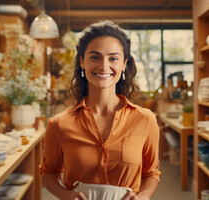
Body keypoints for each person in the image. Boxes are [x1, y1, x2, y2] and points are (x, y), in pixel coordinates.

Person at [40, 21, 161, 200]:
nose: (104, 66)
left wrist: (143, 196)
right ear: (82, 62)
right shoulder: (59, 124)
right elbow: (48, 172)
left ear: (124, 64)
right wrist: (65, 195)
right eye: (95, 57)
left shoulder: (145, 120)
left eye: (113, 58)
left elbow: (152, 173)